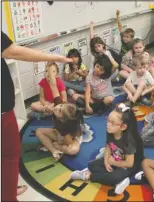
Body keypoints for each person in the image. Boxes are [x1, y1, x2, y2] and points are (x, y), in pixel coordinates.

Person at [1, 31, 72, 202]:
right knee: (10, 153)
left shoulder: (65, 107)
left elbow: (59, 97)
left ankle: (6, 189)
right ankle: (7, 194)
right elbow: (14, 51)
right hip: (3, 111)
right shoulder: (44, 84)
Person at [70, 103, 144, 195]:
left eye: (112, 123)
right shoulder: (111, 131)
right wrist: (106, 161)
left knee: (114, 177)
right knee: (92, 165)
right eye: (108, 120)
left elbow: (129, 163)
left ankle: (88, 176)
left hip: (128, 165)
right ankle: (120, 180)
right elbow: (108, 147)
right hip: (116, 158)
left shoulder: (129, 141)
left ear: (123, 127)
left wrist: (113, 163)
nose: (108, 124)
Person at [35, 68, 84, 161]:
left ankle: (56, 147)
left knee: (73, 150)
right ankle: (54, 150)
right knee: (39, 131)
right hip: (58, 133)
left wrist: (60, 145)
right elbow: (53, 86)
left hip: (69, 138)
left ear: (62, 119)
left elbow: (68, 142)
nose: (57, 107)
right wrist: (50, 69)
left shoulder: (64, 127)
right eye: (61, 106)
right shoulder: (59, 105)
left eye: (59, 111)